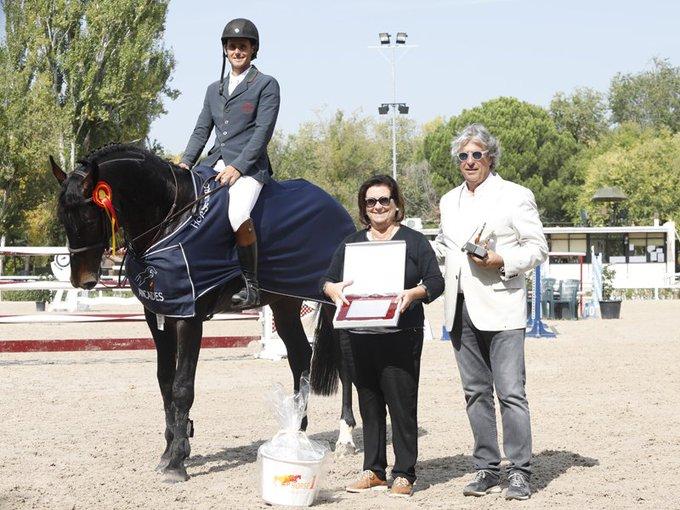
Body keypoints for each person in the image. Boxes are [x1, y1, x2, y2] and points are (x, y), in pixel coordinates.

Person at [437, 123, 548, 501]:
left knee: (511, 393)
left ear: (491, 157)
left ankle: (520, 471)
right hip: (459, 308)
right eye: (463, 156)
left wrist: (503, 260)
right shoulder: (448, 201)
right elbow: (445, 246)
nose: (469, 161)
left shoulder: (515, 195)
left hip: (502, 306)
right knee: (474, 393)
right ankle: (485, 467)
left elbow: (537, 248)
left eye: (477, 154)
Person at [322, 175, 444, 498]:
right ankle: (374, 470)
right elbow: (327, 281)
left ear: (396, 205)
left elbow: (436, 281)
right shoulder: (350, 244)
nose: (377, 206)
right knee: (369, 404)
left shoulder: (415, 242)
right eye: (371, 202)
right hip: (359, 335)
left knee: (402, 404)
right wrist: (331, 289)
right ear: (364, 208)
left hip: (401, 334)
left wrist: (413, 293)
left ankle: (404, 472)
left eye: (384, 200)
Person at [179, 18, 279, 309]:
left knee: (236, 214)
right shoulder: (214, 89)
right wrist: (185, 163)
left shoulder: (265, 84)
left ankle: (251, 286)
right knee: (186, 207)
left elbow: (262, 133)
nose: (237, 51)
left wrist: (238, 166)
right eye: (233, 46)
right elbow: (202, 129)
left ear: (253, 50)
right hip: (213, 162)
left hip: (249, 168)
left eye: (243, 46)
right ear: (225, 50)